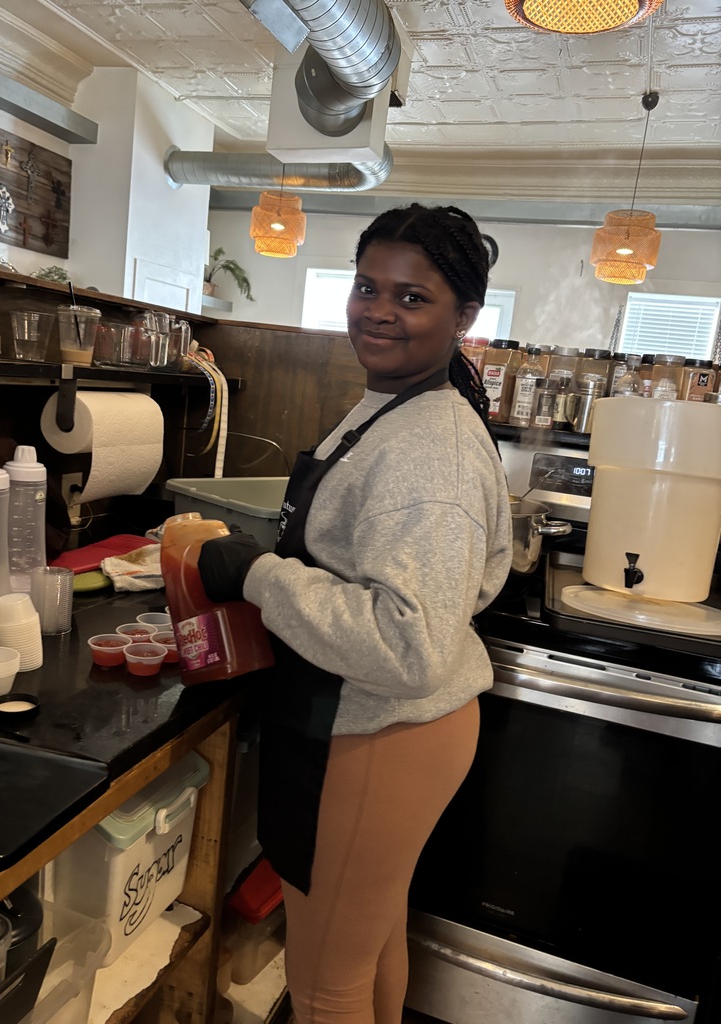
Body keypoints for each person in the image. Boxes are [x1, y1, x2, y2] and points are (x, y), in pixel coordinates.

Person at [198, 203, 512, 1024]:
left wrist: (261, 574)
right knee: (369, 949)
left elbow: (405, 641)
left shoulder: (429, 447)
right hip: (397, 724)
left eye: (413, 298)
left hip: (382, 726)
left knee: (325, 984)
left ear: (465, 316)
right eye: (368, 286)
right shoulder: (395, 404)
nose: (378, 310)